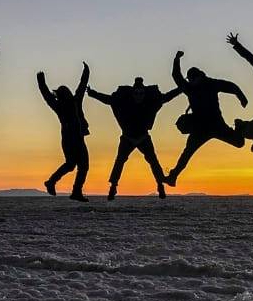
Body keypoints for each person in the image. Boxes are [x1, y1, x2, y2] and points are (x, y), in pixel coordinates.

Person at [88, 78, 182, 200]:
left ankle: (160, 185)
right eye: (136, 93)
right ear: (132, 93)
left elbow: (168, 97)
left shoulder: (151, 101)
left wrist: (181, 88)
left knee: (153, 161)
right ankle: (113, 187)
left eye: (141, 94)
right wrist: (92, 93)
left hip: (143, 137)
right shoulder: (122, 101)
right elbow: (107, 99)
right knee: (120, 161)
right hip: (127, 137)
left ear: (144, 93)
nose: (139, 96)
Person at [165, 51, 247, 186]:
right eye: (190, 80)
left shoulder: (211, 83)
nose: (192, 82)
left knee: (239, 143)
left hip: (217, 125)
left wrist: (241, 96)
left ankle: (239, 126)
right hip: (199, 129)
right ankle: (173, 177)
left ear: (200, 76)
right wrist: (176, 59)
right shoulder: (189, 87)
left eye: (193, 79)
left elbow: (230, 86)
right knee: (187, 153)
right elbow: (176, 76)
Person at [37, 63, 91, 202]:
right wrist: (41, 82)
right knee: (79, 165)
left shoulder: (70, 102)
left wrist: (86, 71)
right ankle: (72, 190)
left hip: (73, 138)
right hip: (72, 139)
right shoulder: (67, 103)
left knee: (73, 165)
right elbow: (48, 96)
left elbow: (82, 85)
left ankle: (55, 183)